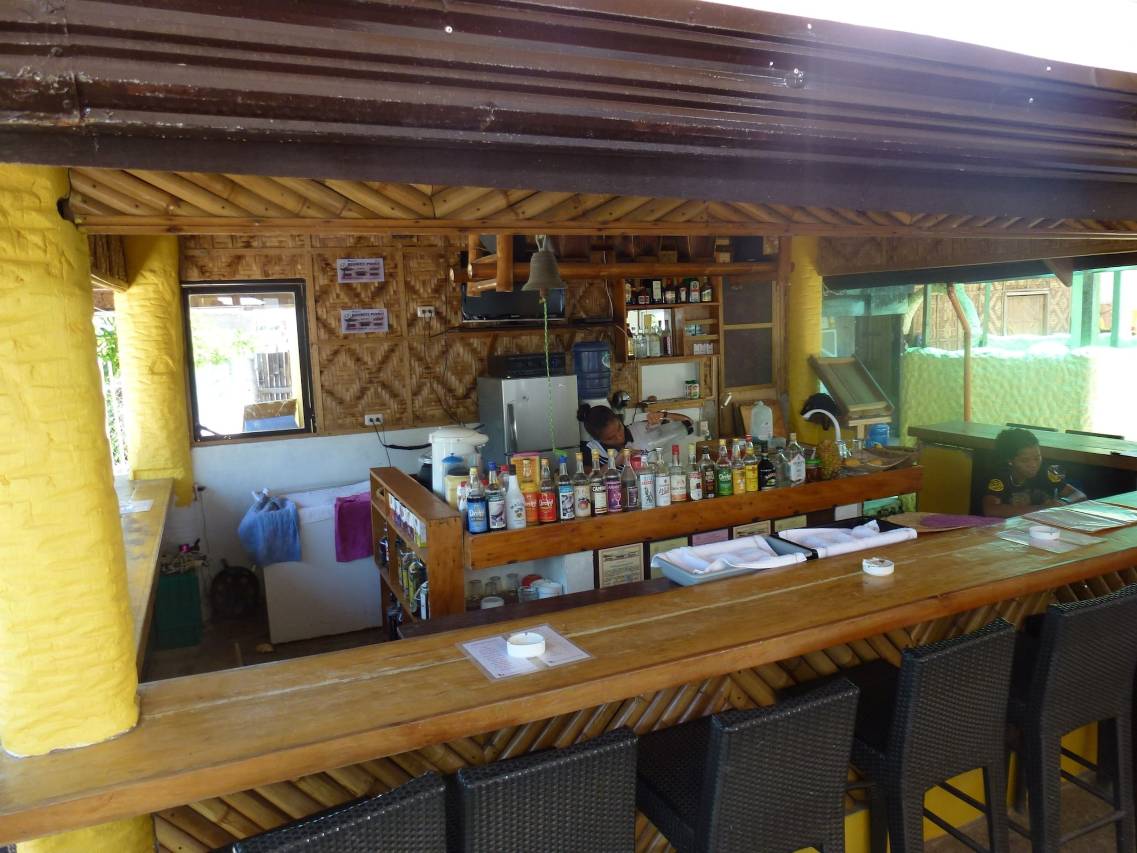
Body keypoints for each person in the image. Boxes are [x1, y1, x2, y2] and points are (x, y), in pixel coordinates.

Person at [981, 428, 1086, 517]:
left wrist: (1064, 502)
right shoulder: (998, 476)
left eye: (1037, 458)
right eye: (1025, 460)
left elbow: (1079, 495)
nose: (1033, 465)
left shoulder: (1045, 472)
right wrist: (1042, 508)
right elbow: (991, 510)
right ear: (1009, 460)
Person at [578, 403, 693, 468]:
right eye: (611, 438)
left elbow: (689, 423)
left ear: (619, 420)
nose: (619, 437)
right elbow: (587, 482)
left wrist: (663, 415)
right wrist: (614, 462)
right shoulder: (592, 450)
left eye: (619, 428)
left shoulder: (641, 429)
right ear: (599, 439)